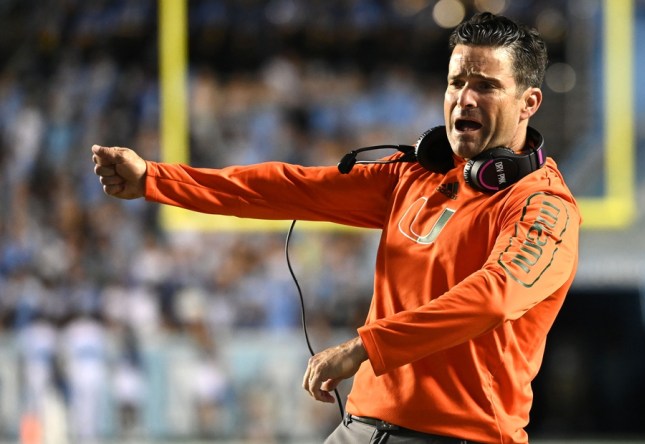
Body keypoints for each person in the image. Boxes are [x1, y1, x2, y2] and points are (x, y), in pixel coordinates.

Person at [91, 12, 581, 443]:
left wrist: (364, 348)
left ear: (529, 101)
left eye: (487, 86)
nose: (464, 99)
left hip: (460, 437)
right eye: (456, 83)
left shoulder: (543, 207)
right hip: (361, 426)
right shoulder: (414, 174)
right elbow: (290, 188)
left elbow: (493, 296)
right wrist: (156, 180)